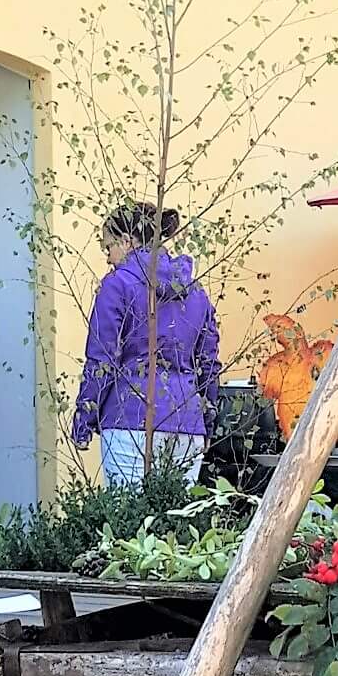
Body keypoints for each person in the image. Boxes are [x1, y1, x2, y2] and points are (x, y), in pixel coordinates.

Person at [71, 205, 221, 487]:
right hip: (186, 422)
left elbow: (102, 358)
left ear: (127, 241)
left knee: (127, 513)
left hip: (129, 418)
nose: (108, 258)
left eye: (108, 247)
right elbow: (208, 365)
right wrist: (208, 422)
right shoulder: (196, 292)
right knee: (178, 513)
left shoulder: (117, 285)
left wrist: (84, 419)